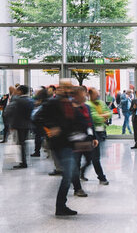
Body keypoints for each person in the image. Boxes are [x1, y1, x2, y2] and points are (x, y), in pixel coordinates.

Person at [35, 79, 97, 216]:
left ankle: (61, 206)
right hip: (59, 144)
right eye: (65, 87)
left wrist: (90, 136)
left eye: (70, 87)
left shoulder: (71, 103)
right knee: (68, 173)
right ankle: (61, 206)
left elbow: (80, 121)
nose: (68, 90)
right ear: (59, 88)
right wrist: (49, 129)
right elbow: (37, 118)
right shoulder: (52, 103)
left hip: (69, 144)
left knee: (69, 174)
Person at [83, 87, 110, 185]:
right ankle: (101, 177)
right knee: (95, 157)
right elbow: (95, 118)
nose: (97, 95)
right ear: (90, 95)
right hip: (93, 134)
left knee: (90, 157)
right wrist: (103, 116)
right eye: (95, 94)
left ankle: (81, 172)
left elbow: (109, 112)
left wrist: (103, 116)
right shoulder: (88, 105)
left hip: (101, 132)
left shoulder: (101, 103)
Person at [4, 84, 33, 168]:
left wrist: (11, 124)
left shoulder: (17, 100)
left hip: (18, 125)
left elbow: (8, 112)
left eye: (17, 90)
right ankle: (24, 161)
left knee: (21, 144)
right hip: (27, 125)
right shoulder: (30, 100)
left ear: (20, 91)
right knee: (23, 143)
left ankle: (23, 162)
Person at [31, 87, 50, 157]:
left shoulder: (43, 103)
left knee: (40, 137)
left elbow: (37, 114)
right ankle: (47, 152)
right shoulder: (46, 102)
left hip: (40, 123)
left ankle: (38, 151)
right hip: (43, 124)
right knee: (43, 137)